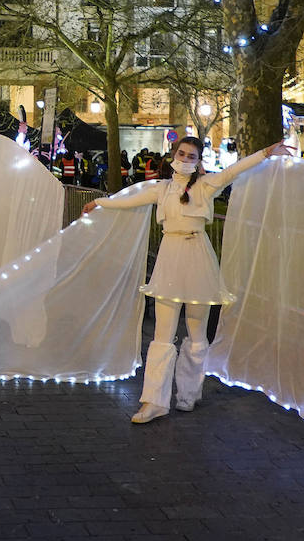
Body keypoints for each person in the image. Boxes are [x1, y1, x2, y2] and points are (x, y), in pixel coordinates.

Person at [82, 136, 292, 424]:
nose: (184, 159)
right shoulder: (162, 189)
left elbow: (235, 170)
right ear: (173, 154)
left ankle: (188, 393)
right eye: (181, 153)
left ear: (198, 161)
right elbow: (128, 200)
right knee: (162, 335)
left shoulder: (207, 186)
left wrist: (266, 152)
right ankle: (154, 401)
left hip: (197, 258)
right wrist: (99, 202)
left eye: (191, 156)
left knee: (196, 332)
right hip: (170, 258)